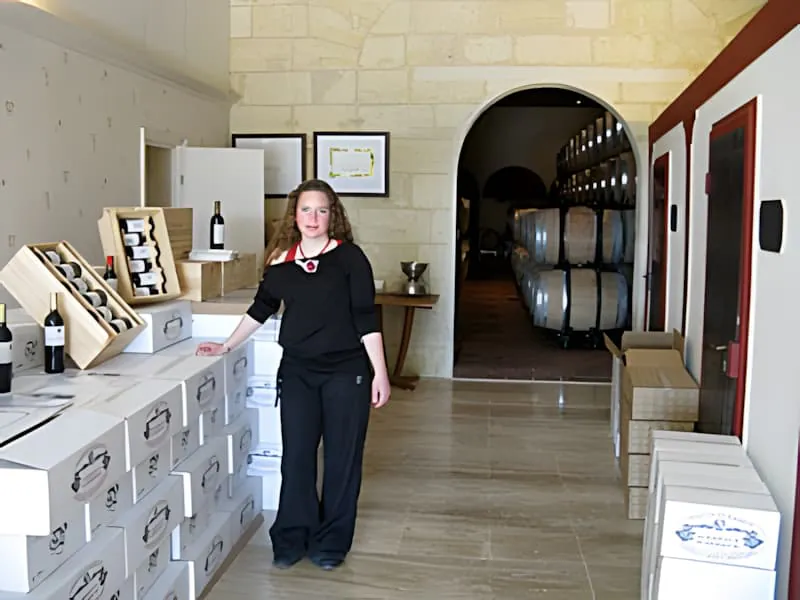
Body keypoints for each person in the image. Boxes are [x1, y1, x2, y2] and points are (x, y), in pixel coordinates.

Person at [196, 178, 391, 571]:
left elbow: (365, 318)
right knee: (297, 458)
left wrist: (379, 373)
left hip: (346, 372)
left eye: (322, 210)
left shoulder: (351, 258)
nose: (313, 217)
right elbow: (261, 307)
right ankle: (291, 536)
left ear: (332, 215)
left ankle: (332, 541)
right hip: (299, 372)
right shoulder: (280, 262)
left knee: (341, 459)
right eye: (306, 210)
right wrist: (226, 345)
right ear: (295, 215)